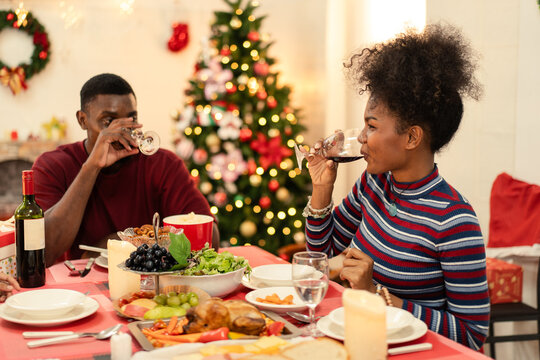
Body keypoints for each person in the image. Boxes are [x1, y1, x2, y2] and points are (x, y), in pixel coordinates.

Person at [302, 24, 489, 350]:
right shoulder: (373, 184)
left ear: (412, 137)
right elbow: (323, 258)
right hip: (364, 342)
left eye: (371, 126)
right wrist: (321, 190)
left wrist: (378, 295)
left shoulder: (453, 220)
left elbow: (472, 335)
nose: (360, 137)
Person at [33, 73, 219, 266]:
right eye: (108, 121)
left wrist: (121, 242)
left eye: (131, 119)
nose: (122, 131)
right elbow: (43, 252)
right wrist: (91, 167)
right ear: (82, 120)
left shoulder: (164, 164)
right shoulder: (53, 165)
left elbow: (210, 240)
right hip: (77, 286)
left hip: (150, 283)